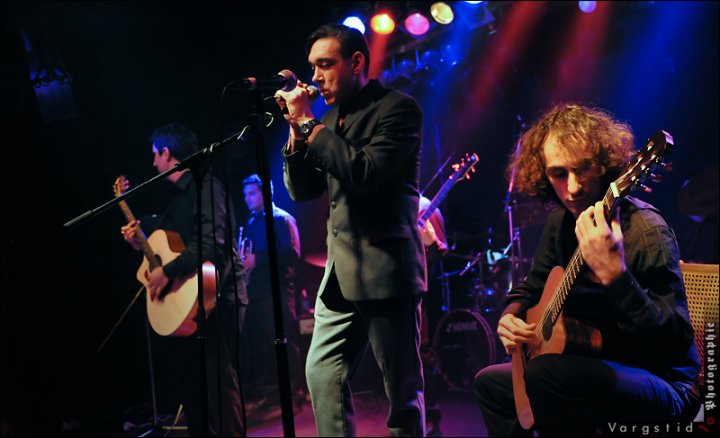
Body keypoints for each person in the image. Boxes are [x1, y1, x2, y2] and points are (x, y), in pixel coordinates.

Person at [473, 103, 701, 436]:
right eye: (558, 174)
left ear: (604, 164)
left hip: (663, 380)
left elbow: (672, 343)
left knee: (545, 374)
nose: (574, 187)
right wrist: (510, 316)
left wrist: (615, 276)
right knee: (490, 385)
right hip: (591, 364)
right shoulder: (560, 223)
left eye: (583, 169)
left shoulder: (646, 230)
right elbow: (531, 288)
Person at [275, 23, 427, 436]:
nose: (315, 77)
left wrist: (308, 123)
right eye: (312, 67)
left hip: (386, 269)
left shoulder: (398, 109)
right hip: (339, 275)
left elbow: (364, 173)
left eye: (326, 64)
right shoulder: (326, 119)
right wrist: (295, 130)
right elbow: (302, 190)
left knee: (401, 394)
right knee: (322, 374)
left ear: (357, 62)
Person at [121, 123, 247, 436]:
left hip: (218, 299)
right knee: (193, 391)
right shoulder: (176, 201)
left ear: (167, 153)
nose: (153, 163)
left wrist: (167, 272)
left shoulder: (206, 188)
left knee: (219, 387)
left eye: (155, 154)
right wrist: (140, 244)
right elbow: (169, 251)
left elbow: (210, 245)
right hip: (190, 306)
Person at [239, 173, 304, 406]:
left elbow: (292, 254)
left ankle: (296, 390)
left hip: (278, 290)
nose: (247, 198)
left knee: (285, 342)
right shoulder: (251, 221)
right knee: (266, 344)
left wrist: (257, 259)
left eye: (251, 193)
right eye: (245, 194)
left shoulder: (282, 219)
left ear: (265, 193)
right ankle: (277, 389)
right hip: (256, 290)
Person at [418, 195, 448, 437]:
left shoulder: (425, 207)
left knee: (421, 352)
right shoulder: (390, 203)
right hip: (392, 290)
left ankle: (431, 416)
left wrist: (432, 242)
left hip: (418, 294)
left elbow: (440, 253)